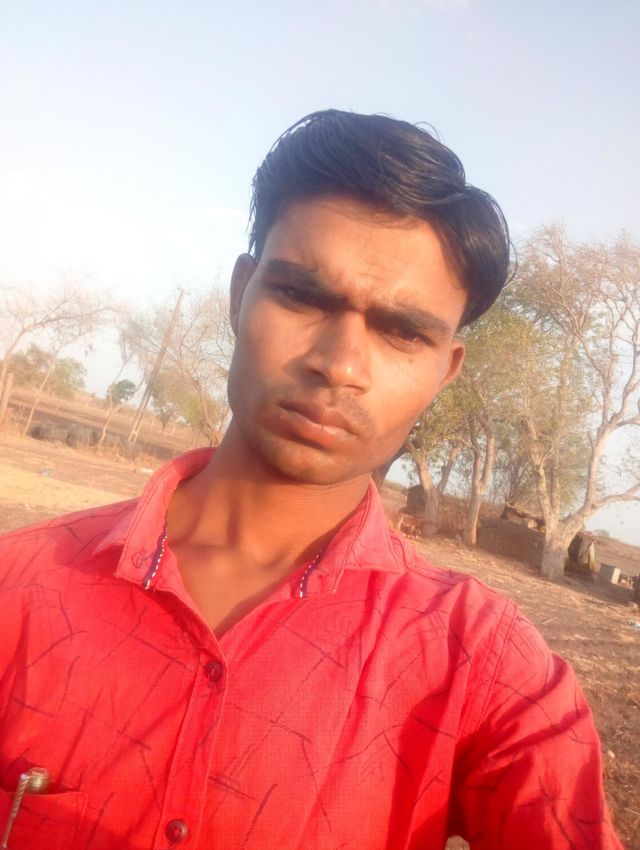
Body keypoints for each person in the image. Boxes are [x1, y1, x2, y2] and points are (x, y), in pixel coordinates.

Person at [0, 110, 622, 850]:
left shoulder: (484, 664)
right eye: (302, 295)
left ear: (444, 371)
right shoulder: (19, 587)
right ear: (241, 295)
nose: (340, 364)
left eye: (402, 332)